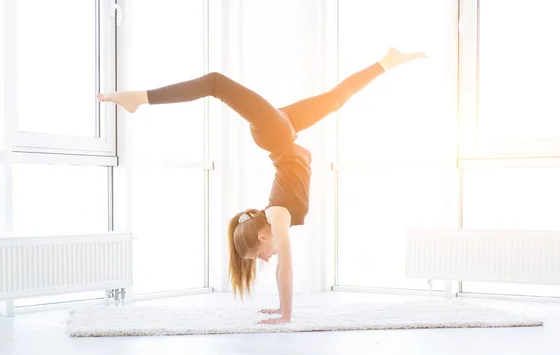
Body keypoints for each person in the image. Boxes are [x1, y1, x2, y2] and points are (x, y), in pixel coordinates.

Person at [97, 47, 426, 324]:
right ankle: (388, 61)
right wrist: (282, 309)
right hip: (286, 129)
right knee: (338, 98)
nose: (268, 259)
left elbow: (287, 266)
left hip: (276, 134)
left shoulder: (278, 215)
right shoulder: (276, 216)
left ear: (263, 235)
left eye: (260, 254)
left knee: (216, 83)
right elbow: (284, 263)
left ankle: (137, 98)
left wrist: (286, 315)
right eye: (262, 259)